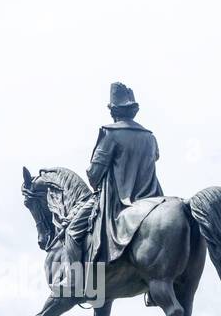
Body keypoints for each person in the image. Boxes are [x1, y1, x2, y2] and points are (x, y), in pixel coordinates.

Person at [60, 82, 163, 297]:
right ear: (133, 111)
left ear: (114, 111)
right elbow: (154, 158)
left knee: (73, 231)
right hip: (151, 198)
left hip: (117, 199)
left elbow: (94, 174)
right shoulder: (150, 137)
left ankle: (74, 280)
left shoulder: (110, 134)